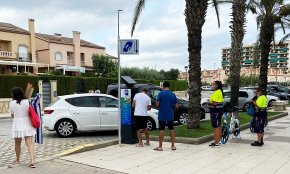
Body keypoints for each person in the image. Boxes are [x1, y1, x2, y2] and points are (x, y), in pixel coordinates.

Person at [9, 87, 36, 168]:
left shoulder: (12, 103)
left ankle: (17, 160)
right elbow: (30, 112)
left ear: (15, 94)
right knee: (29, 143)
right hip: (27, 123)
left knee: (17, 143)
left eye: (12, 93)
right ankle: (32, 160)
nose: (11, 94)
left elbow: (12, 115)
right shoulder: (27, 102)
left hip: (17, 123)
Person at [154, 82, 178, 151]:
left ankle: (160, 147)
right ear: (169, 86)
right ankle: (173, 146)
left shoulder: (160, 93)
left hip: (162, 114)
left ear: (163, 86)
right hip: (170, 114)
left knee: (161, 130)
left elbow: (157, 104)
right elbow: (177, 106)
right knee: (171, 129)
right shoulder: (173, 94)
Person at [207, 81, 224, 147]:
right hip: (218, 111)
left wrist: (208, 102)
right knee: (218, 126)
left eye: (213, 84)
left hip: (215, 111)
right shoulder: (219, 91)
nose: (212, 85)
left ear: (217, 85)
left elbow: (215, 103)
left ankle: (216, 142)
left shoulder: (217, 92)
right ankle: (218, 141)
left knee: (216, 127)